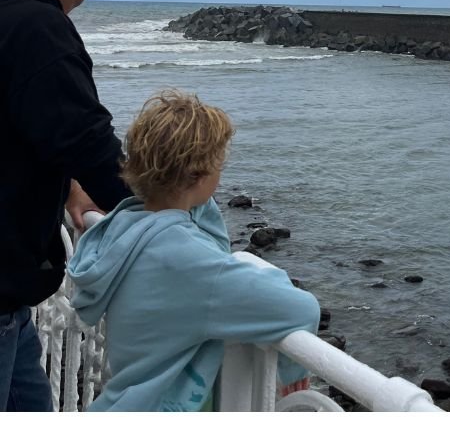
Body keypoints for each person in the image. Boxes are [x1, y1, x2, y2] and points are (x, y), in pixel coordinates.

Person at [68, 90, 320, 411]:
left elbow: (203, 230)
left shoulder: (125, 228)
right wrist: (293, 368)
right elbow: (301, 309)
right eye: (219, 163)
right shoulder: (194, 263)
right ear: (200, 176)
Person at [0, 0, 130, 412]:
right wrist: (171, 216)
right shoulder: (39, 30)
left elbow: (22, 122)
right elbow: (87, 141)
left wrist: (68, 185)